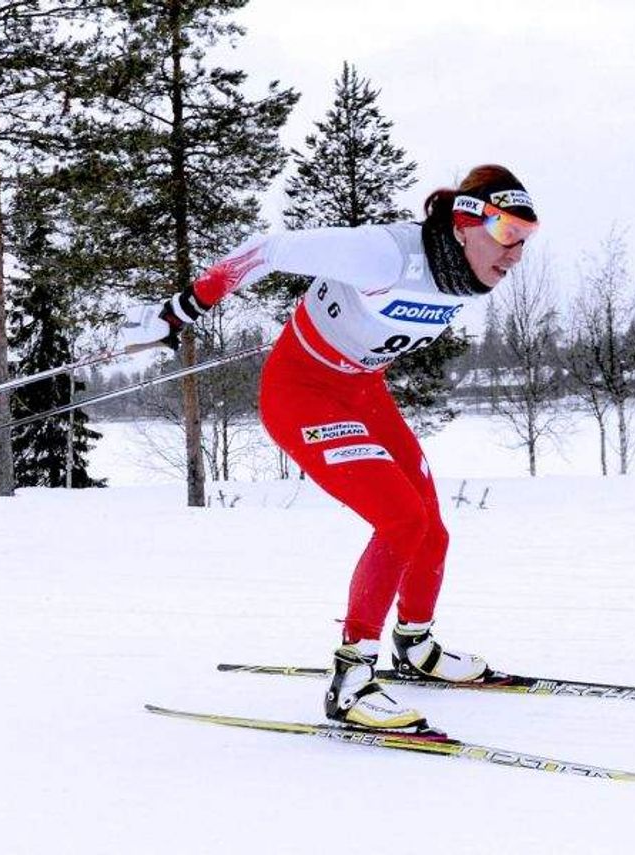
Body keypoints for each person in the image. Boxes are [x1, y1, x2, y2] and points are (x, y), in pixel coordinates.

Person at [124, 164, 539, 732]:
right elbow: (267, 251)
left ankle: (415, 646)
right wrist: (186, 306)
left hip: (362, 390)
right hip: (302, 395)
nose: (515, 251)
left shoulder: (462, 271)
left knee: (430, 528)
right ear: (466, 222)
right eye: (507, 232)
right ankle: (351, 681)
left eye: (525, 237)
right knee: (399, 520)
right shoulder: (386, 254)